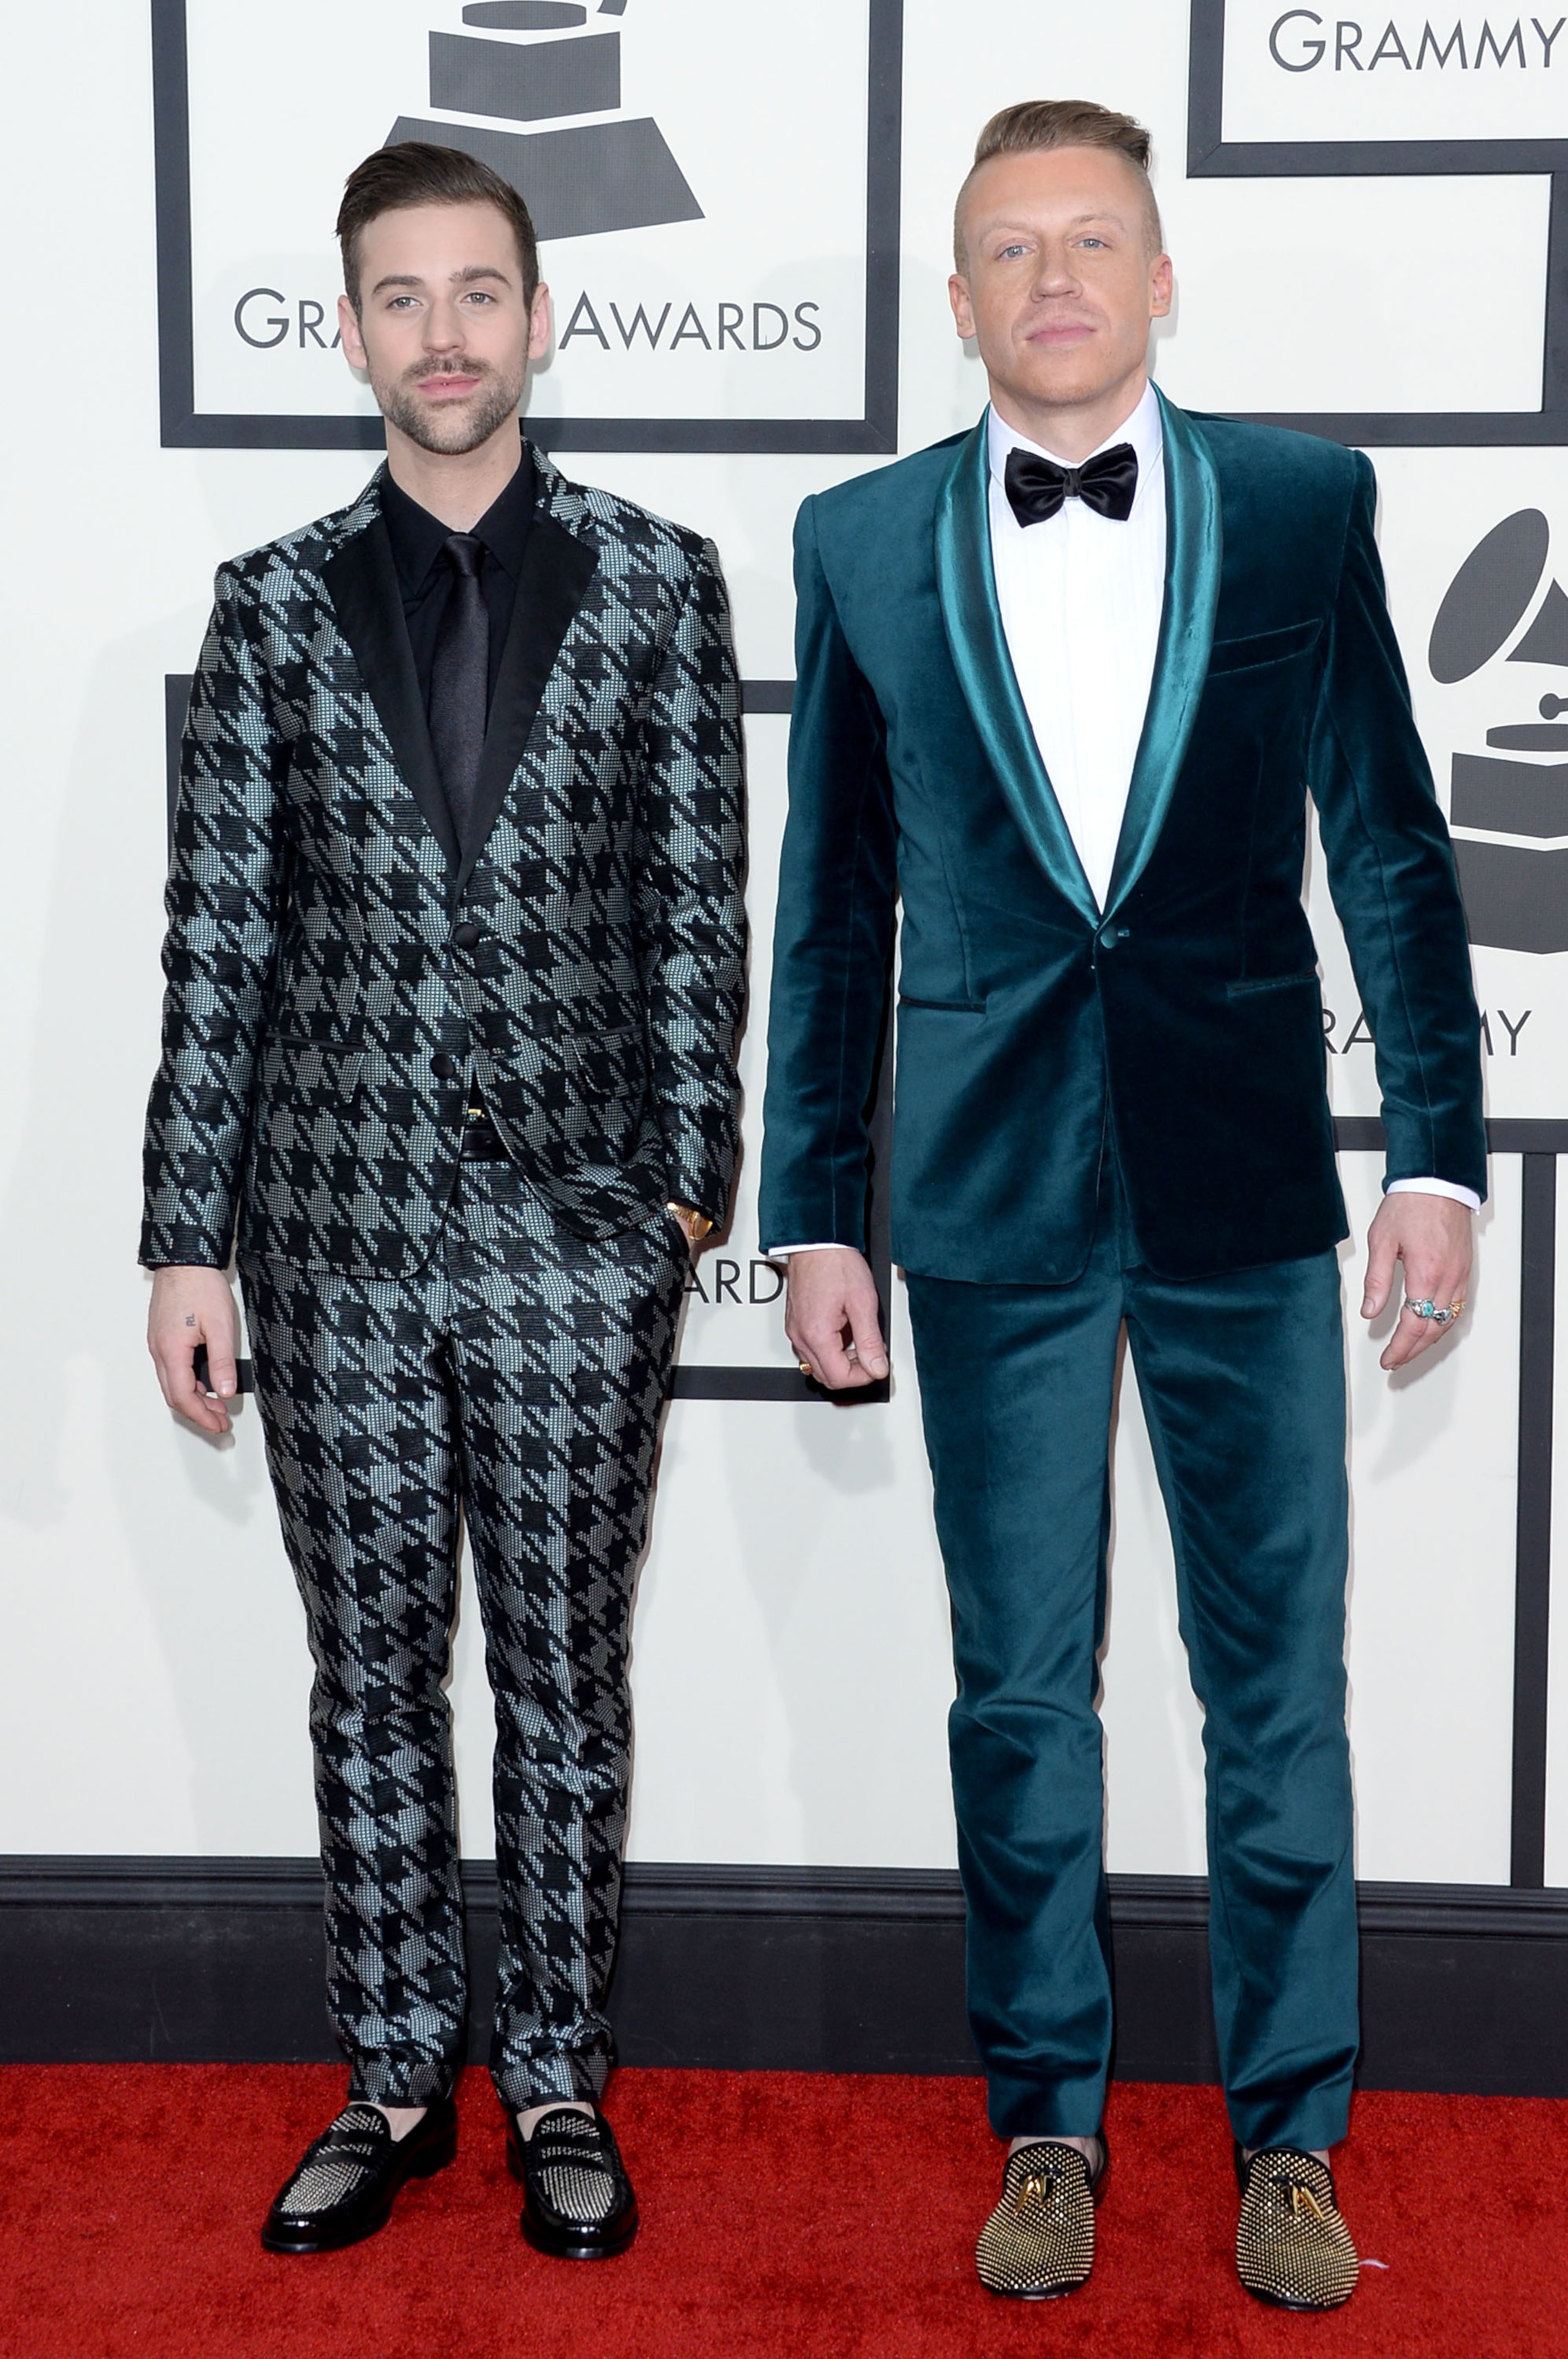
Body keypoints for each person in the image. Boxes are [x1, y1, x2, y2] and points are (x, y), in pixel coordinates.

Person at [759, 99, 1481, 2312]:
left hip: (1248, 1178)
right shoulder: (862, 536)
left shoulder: (1296, 507)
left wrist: (1434, 1151)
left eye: (1095, 240)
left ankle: (1293, 2140)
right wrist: (813, 1204)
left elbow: (1384, 842)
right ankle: (1049, 2122)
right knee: (1022, 1692)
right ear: (960, 299)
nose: (1054, 276)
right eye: (1010, 248)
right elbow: (836, 895)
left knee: (1276, 1687)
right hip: (980, 1200)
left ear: (1162, 279)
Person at [143, 140, 745, 2259]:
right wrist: (183, 1238)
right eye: (401, 298)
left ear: (539, 313)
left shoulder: (665, 583)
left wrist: (685, 1193)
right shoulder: (272, 605)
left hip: (586, 1243)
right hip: (332, 1246)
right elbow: (218, 944)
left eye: (479, 291)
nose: (446, 334)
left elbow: (697, 914)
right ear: (350, 331)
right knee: (373, 1671)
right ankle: (397, 2069)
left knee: (567, 1676)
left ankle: (559, 2072)